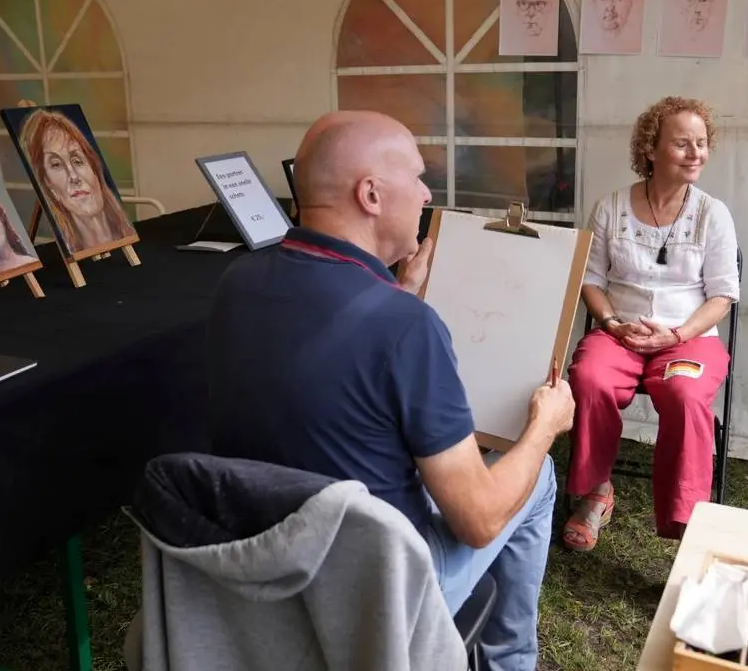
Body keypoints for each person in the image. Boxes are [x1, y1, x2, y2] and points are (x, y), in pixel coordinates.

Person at [206, 110, 575, 671]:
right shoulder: (404, 327)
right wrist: (545, 425)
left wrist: (401, 290)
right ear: (371, 194)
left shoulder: (238, 282)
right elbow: (477, 520)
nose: (427, 194)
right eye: (419, 177)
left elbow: (319, 368)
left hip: (265, 560)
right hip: (373, 596)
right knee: (538, 474)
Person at [561, 96, 739, 552]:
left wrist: (677, 334)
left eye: (702, 143)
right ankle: (596, 491)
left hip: (689, 338)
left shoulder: (712, 214)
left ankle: (686, 523)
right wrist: (612, 323)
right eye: (682, 144)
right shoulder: (611, 207)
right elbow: (591, 280)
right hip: (620, 332)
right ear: (650, 149)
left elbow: (722, 296)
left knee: (684, 394)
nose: (696, 153)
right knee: (590, 377)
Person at [18, 108, 136, 254]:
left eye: (77, 161)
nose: (73, 177)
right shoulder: (72, 248)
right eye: (56, 164)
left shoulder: (125, 234)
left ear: (95, 171)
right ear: (49, 185)